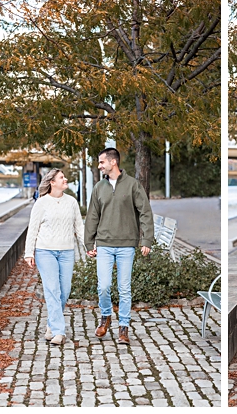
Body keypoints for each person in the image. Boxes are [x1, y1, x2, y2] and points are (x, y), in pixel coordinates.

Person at [85, 147, 154, 345]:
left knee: (124, 289)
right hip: (105, 244)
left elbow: (145, 213)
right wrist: (89, 242)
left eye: (102, 162)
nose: (100, 166)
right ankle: (105, 316)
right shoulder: (99, 187)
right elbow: (92, 216)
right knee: (104, 286)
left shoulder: (132, 185)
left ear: (113, 162)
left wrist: (146, 240)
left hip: (126, 245)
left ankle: (123, 328)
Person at [25, 169, 85, 346]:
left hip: (67, 251)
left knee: (64, 290)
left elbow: (79, 228)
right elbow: (33, 229)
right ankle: (59, 332)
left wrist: (89, 247)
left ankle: (51, 324)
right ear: (52, 182)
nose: (65, 179)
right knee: (52, 289)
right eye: (61, 177)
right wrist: (29, 252)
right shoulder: (41, 203)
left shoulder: (72, 202)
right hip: (45, 251)